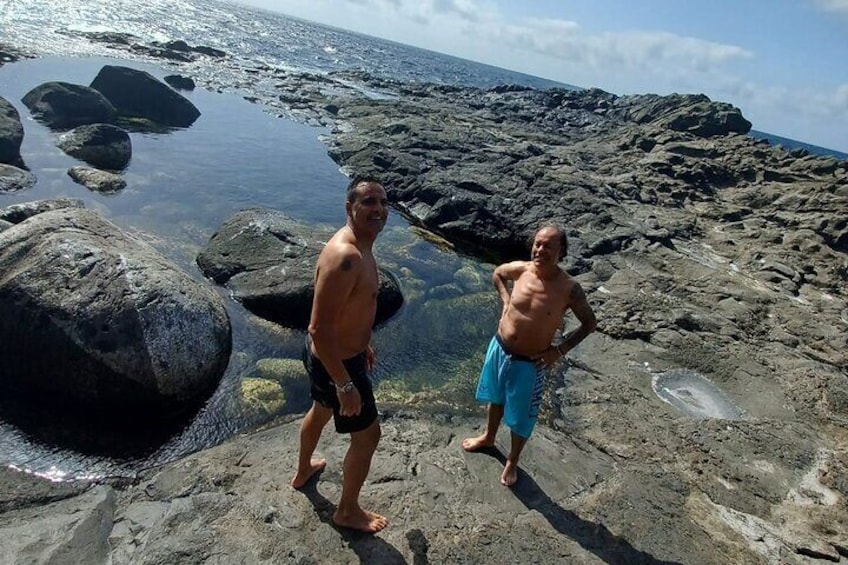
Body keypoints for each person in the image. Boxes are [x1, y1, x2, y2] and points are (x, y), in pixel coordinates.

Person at [462, 223, 597, 487]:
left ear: (561, 251)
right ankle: (488, 437)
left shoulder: (569, 288)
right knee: (496, 397)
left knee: (522, 415)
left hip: (530, 362)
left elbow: (590, 324)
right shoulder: (522, 270)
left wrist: (558, 351)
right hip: (500, 348)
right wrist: (506, 301)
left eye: (548, 245)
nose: (540, 249)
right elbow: (498, 274)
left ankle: (512, 460)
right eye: (538, 243)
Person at [290, 176, 389, 533]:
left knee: (320, 409)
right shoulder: (346, 255)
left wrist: (364, 345)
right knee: (367, 436)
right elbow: (318, 328)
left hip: (338, 355)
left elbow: (350, 308)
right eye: (368, 202)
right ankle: (347, 511)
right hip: (336, 361)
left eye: (381, 202)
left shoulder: (362, 245)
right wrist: (345, 383)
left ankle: (304, 470)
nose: (377, 209)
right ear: (349, 207)